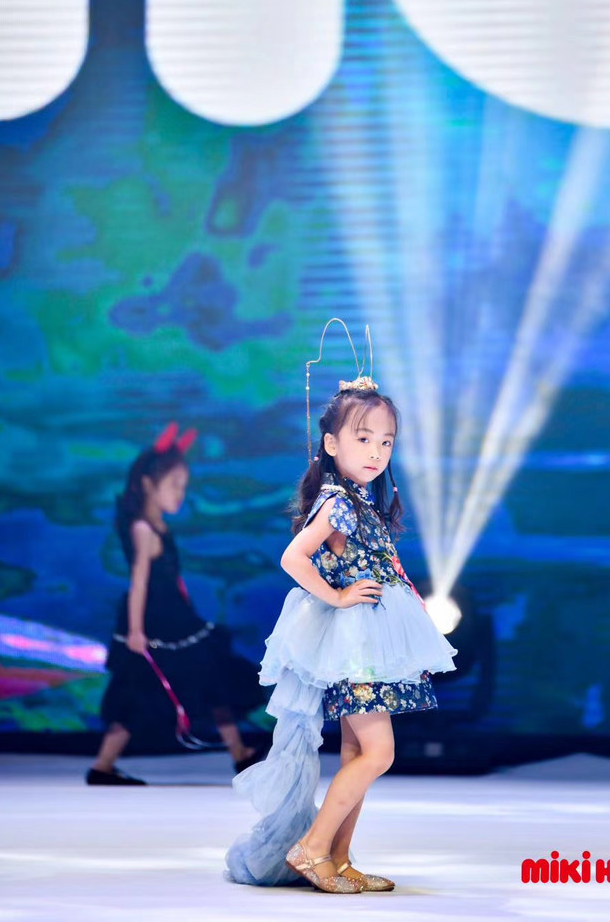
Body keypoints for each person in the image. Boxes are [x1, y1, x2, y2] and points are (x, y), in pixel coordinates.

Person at [225, 368, 457, 892]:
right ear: (331, 444)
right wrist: (335, 596)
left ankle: (338, 858)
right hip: (356, 647)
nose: (376, 452)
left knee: (357, 753)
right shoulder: (338, 503)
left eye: (386, 442)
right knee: (379, 753)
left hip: (368, 642)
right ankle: (312, 850)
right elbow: (294, 557)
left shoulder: (360, 502)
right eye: (363, 438)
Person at [87, 423, 264, 785]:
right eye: (173, 485)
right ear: (147, 484)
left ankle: (239, 753)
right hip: (156, 621)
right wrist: (136, 630)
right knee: (136, 690)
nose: (180, 494)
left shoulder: (158, 526)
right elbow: (139, 582)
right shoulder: (143, 529)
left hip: (174, 616)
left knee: (211, 676)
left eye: (183, 486)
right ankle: (102, 766)